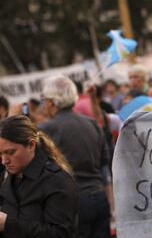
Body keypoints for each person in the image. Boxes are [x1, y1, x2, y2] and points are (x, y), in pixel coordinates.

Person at [39, 75, 111, 238]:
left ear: (51, 102)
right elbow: (105, 166)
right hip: (99, 199)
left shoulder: (46, 129)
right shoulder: (92, 124)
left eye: (44, 100)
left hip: (70, 204)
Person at [0, 115, 77, 238]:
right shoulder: (7, 174)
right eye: (1, 153)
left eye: (10, 152)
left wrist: (8, 224)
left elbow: (60, 233)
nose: (4, 161)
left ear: (31, 145)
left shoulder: (56, 180)